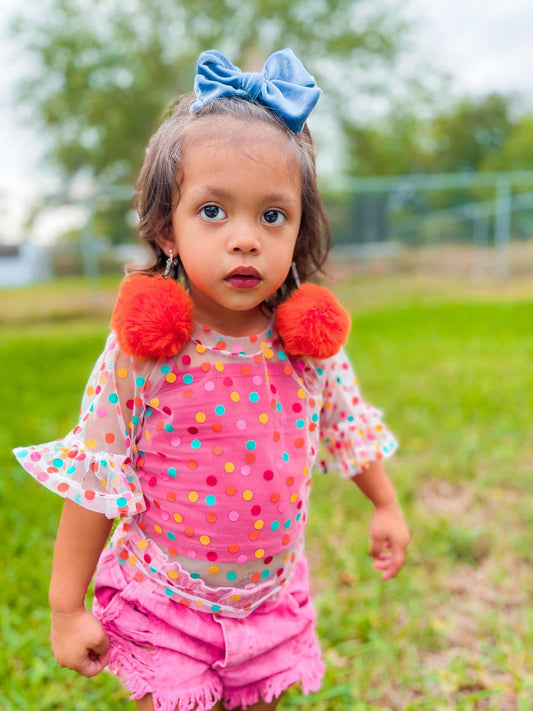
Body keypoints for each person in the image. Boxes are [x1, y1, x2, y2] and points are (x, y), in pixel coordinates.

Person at [13, 48, 410, 711]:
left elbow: (346, 426)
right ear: (167, 226)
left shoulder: (306, 346)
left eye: (272, 215)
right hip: (165, 598)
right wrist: (64, 605)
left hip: (268, 598)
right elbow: (94, 477)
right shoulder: (143, 350)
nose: (245, 239)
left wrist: (386, 503)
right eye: (214, 212)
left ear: (298, 228)